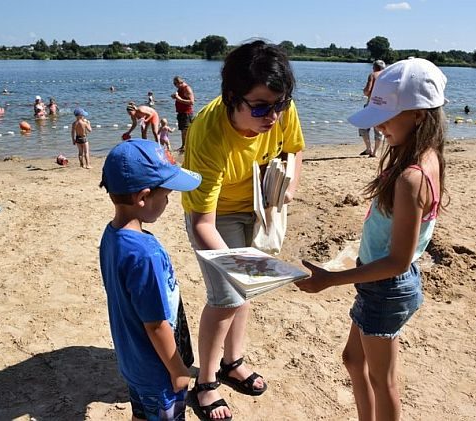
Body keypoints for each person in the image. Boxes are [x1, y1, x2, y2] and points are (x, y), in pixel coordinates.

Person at [297, 58, 448, 421]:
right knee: (352, 360)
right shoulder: (422, 156)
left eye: (387, 117)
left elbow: (398, 259)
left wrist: (331, 279)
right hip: (379, 283)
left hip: (388, 285)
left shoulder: (411, 176)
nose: (379, 126)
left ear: (419, 116)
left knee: (384, 382)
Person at [182, 40, 305, 421]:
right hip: (215, 214)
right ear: (232, 97)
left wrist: (288, 188)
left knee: (243, 291)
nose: (273, 116)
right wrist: (239, 263)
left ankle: (232, 361)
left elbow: (295, 149)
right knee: (225, 297)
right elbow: (202, 221)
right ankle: (204, 382)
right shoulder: (209, 133)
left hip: (259, 206)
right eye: (261, 108)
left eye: (280, 105)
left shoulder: (279, 106)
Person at [99, 139, 202, 421]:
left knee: (142, 413)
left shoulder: (111, 236)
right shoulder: (145, 254)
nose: (168, 201)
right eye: (167, 195)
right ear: (143, 198)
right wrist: (178, 369)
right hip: (158, 370)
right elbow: (156, 325)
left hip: (133, 361)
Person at [357, 60, 386, 158]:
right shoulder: (389, 75)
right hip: (384, 105)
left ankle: (369, 148)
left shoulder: (373, 75)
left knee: (363, 126)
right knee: (379, 129)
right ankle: (375, 152)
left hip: (372, 104)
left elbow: (367, 91)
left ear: (374, 67)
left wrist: (365, 91)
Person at [171, 76, 195, 153]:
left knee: (185, 130)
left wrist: (179, 99)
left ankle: (185, 147)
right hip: (181, 113)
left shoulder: (187, 89)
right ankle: (183, 146)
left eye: (175, 84)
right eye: (174, 84)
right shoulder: (180, 89)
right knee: (182, 130)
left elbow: (191, 102)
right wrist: (175, 97)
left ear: (180, 82)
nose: (175, 85)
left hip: (186, 113)